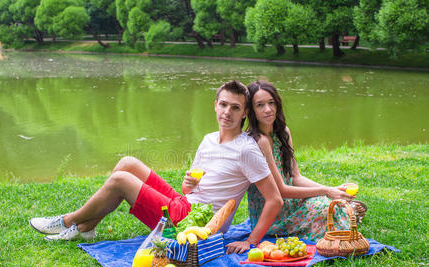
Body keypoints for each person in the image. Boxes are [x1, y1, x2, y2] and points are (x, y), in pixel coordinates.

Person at [30, 80, 283, 254]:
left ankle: (67, 221)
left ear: (245, 113)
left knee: (120, 180)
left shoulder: (246, 149)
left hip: (196, 224)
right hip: (185, 205)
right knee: (127, 164)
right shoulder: (208, 139)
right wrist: (188, 184)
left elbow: (275, 200)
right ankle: (86, 228)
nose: (227, 112)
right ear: (215, 104)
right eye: (224, 104)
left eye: (235, 107)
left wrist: (250, 241)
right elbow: (188, 188)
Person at [246, 80, 366, 241]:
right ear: (251, 110)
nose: (268, 109)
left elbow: (296, 177)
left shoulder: (283, 132)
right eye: (259, 105)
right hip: (274, 214)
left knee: (327, 203)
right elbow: (280, 191)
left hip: (292, 202)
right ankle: (349, 213)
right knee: (325, 208)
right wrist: (326, 191)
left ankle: (346, 212)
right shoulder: (259, 141)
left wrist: (331, 189)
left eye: (271, 103)